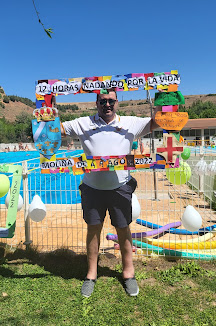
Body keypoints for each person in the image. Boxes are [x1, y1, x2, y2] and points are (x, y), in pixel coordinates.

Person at [60, 89, 160, 297]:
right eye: (103, 101)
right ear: (96, 103)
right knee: (93, 230)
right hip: (92, 188)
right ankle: (91, 275)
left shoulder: (131, 122)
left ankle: (129, 274)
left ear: (117, 102)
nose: (107, 104)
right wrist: (47, 108)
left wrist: (166, 101)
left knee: (123, 229)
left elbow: (157, 123)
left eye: (111, 101)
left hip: (120, 187)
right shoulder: (83, 123)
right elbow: (54, 130)